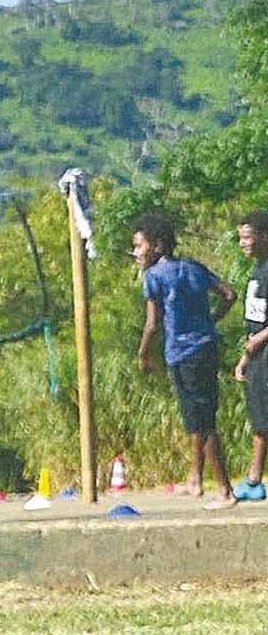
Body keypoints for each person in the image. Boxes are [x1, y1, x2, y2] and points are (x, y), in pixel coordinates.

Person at [133, 215, 236, 503]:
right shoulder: (192, 267)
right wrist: (211, 320)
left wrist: (142, 354)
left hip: (182, 352)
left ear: (157, 246)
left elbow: (152, 324)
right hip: (205, 348)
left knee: (202, 421)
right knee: (197, 417)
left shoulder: (153, 277)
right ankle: (196, 478)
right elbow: (229, 293)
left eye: (139, 246)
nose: (136, 253)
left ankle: (224, 489)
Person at [232, 211, 268, 501]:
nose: (243, 243)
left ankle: (254, 479)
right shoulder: (257, 271)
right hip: (256, 355)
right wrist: (246, 356)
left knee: (262, 419)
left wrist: (259, 340)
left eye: (247, 237)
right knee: (258, 413)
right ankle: (254, 477)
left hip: (264, 351)